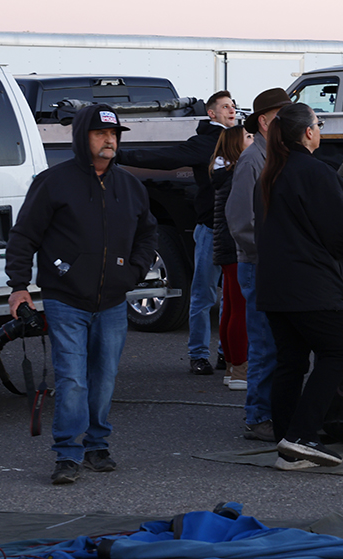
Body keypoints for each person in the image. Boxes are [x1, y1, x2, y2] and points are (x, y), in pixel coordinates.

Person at [5, 104, 158, 485]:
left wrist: (133, 271)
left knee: (104, 376)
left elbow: (148, 234)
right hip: (65, 299)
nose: (109, 140)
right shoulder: (53, 182)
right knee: (73, 378)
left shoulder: (130, 186)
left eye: (114, 134)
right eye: (100, 133)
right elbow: (24, 235)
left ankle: (97, 445)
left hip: (111, 302)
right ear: (81, 137)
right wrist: (19, 286)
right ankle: (67, 455)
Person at [255, 102, 343, 470]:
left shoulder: (270, 174)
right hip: (310, 284)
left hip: (275, 285)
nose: (320, 129)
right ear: (307, 132)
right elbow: (341, 235)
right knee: (338, 351)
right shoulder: (316, 173)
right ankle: (301, 435)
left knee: (290, 361)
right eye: (318, 124)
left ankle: (287, 444)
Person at [117, 91, 236, 375]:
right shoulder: (204, 143)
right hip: (211, 228)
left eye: (233, 105)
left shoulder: (242, 141)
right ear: (211, 113)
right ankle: (198, 354)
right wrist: (120, 154)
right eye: (225, 107)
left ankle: (227, 352)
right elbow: (166, 157)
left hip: (238, 230)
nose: (232, 110)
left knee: (233, 296)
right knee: (204, 294)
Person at [227, 88, 292, 442]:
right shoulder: (254, 160)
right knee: (265, 343)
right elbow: (240, 221)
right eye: (281, 116)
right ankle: (258, 416)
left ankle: (269, 412)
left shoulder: (275, 156)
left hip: (273, 262)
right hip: (259, 263)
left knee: (277, 342)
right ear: (265, 122)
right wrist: (269, 252)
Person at [211, 125, 253, 390]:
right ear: (236, 145)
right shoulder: (237, 172)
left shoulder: (223, 173)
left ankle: (231, 366)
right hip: (236, 247)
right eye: (248, 137)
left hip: (226, 247)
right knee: (239, 309)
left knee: (230, 308)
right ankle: (240, 369)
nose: (253, 140)